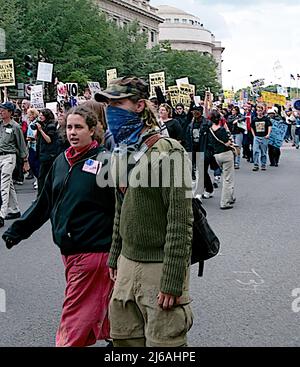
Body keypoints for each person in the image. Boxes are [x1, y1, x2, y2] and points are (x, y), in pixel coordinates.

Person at [2, 105, 115, 347]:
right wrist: (17, 231)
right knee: (96, 307)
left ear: (93, 130)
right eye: (69, 127)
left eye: (79, 127)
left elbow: (120, 211)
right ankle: (120, 339)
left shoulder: (106, 162)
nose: (72, 132)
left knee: (75, 316)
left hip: (94, 252)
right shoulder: (62, 161)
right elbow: (44, 203)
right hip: (70, 250)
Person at [98, 76, 194, 347]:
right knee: (124, 342)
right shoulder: (120, 152)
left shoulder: (169, 151)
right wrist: (115, 256)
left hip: (159, 267)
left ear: (140, 106)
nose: (111, 111)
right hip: (127, 266)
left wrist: (173, 279)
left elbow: (180, 220)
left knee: (165, 346)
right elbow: (120, 207)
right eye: (108, 104)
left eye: (118, 103)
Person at [0, 101, 29, 227]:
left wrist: (25, 161)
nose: (1, 112)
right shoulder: (0, 125)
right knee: (9, 184)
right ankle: (15, 209)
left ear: (10, 112)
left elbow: (22, 145)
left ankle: (1, 214)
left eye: (3, 110)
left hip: (9, 157)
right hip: (0, 156)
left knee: (4, 184)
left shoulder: (15, 127)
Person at [208, 111, 235, 210]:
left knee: (226, 175)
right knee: (228, 179)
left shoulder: (210, 130)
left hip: (216, 155)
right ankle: (225, 201)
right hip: (226, 154)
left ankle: (230, 196)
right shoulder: (222, 130)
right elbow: (227, 143)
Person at [34, 108, 61, 194]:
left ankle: (42, 195)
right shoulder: (43, 125)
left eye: (42, 115)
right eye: (40, 115)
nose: (40, 117)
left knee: (43, 177)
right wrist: (38, 130)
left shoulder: (51, 126)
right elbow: (36, 138)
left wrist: (41, 130)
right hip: (43, 154)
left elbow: (49, 140)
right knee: (42, 176)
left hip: (49, 155)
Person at [251, 104, 272, 171]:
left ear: (262, 111)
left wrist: (268, 134)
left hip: (264, 137)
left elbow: (269, 126)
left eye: (260, 111)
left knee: (263, 152)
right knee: (255, 151)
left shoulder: (266, 119)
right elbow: (252, 127)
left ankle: (263, 164)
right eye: (258, 111)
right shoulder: (254, 119)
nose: (259, 112)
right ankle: (256, 165)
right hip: (257, 137)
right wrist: (254, 135)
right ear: (256, 112)